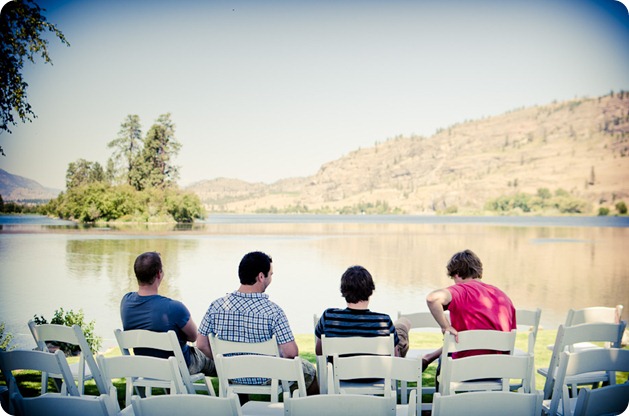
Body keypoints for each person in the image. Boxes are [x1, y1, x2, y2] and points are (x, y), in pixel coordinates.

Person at [196, 251, 318, 395]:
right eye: (271, 274)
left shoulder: (216, 306)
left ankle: (238, 406)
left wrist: (224, 365)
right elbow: (291, 353)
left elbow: (201, 344)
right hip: (267, 376)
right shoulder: (273, 311)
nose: (271, 278)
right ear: (261, 276)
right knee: (309, 371)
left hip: (232, 374)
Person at [120, 251, 215, 377]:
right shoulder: (174, 307)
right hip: (178, 367)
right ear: (159, 274)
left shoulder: (125, 301)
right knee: (216, 362)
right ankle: (238, 390)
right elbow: (193, 337)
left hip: (145, 366)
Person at [423, 249, 516, 369]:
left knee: (445, 358)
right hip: (497, 369)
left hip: (463, 368)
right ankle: (429, 358)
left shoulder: (461, 290)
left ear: (456, 274)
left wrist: (445, 326)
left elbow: (433, 298)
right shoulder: (504, 297)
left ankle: (440, 388)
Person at [314, 265, 411, 357]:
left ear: (343, 290)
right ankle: (418, 364)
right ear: (371, 290)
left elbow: (319, 352)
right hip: (376, 373)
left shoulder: (329, 316)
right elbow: (395, 357)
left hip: (338, 373)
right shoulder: (384, 321)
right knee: (403, 323)